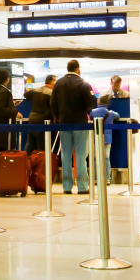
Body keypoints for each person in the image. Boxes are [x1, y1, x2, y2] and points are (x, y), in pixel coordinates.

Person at [51, 59, 96, 194]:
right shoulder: (83, 83)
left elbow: (52, 102)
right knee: (81, 155)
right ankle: (82, 186)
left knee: (65, 155)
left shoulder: (59, 83)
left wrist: (57, 116)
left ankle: (66, 186)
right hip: (80, 124)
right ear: (77, 69)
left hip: (64, 123)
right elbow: (92, 103)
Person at [0, 68, 20, 192]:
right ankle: (4, 185)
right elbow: (0, 109)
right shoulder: (4, 91)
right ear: (7, 79)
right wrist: (14, 111)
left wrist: (12, 105)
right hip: (4, 133)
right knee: (4, 157)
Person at [90, 94, 121, 183]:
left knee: (96, 158)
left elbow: (91, 117)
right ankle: (107, 179)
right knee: (106, 158)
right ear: (107, 103)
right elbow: (118, 116)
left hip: (96, 138)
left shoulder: (93, 112)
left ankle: (96, 179)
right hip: (107, 138)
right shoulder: (111, 113)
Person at [24, 75, 54, 152]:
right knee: (42, 146)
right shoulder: (51, 93)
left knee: (30, 145)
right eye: (55, 81)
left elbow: (26, 95)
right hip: (43, 121)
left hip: (32, 119)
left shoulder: (37, 89)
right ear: (51, 82)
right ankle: (42, 163)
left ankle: (27, 162)